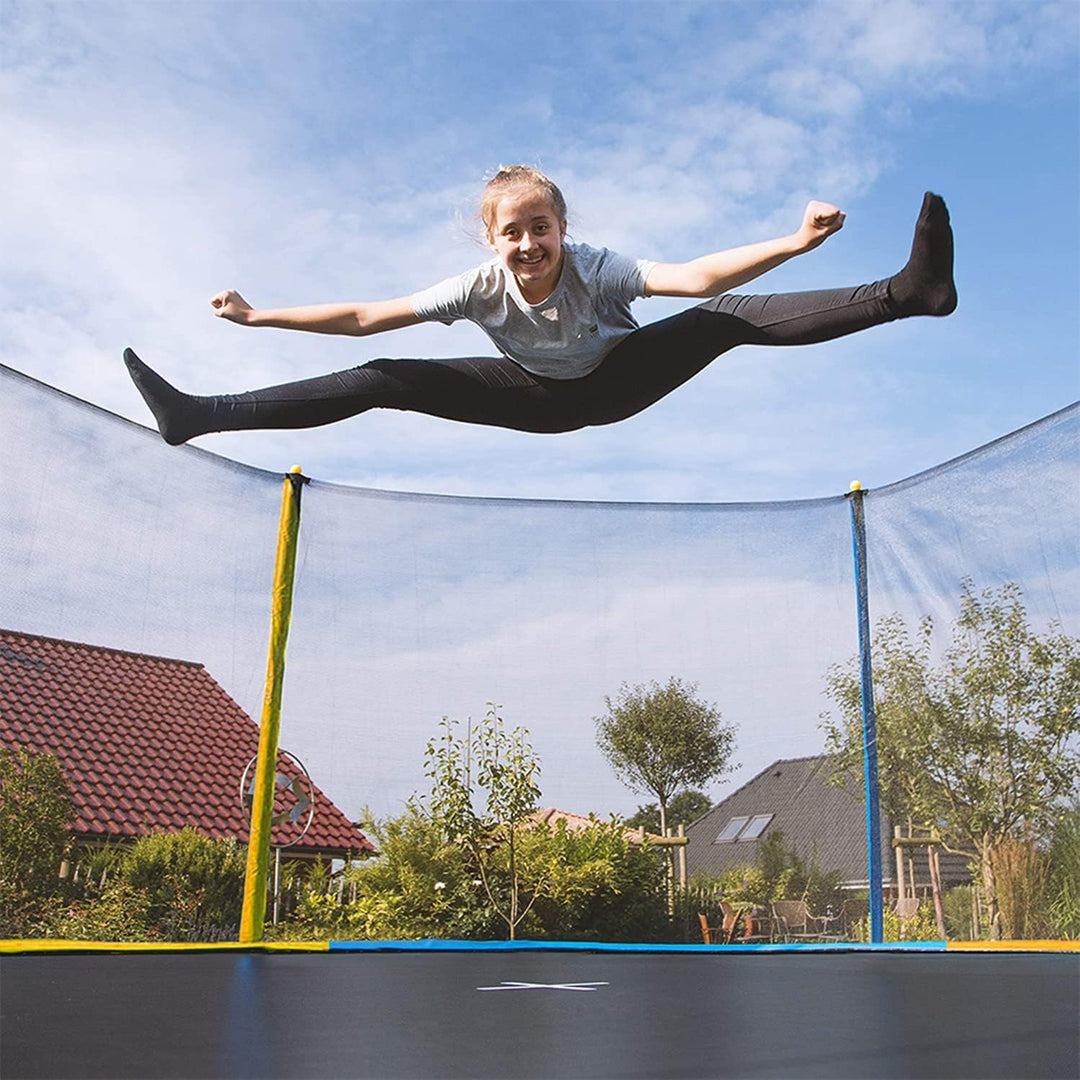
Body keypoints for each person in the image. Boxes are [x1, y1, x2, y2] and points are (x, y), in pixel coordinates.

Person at [124, 165, 956, 446]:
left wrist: (793, 241)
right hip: (538, 400)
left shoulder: (596, 268)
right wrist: (258, 317)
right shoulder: (476, 288)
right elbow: (366, 316)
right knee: (385, 373)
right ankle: (203, 414)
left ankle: (905, 295)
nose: (529, 245)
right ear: (492, 240)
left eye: (542, 229)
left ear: (564, 228)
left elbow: (700, 278)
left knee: (717, 322)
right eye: (513, 233)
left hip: (617, 380)